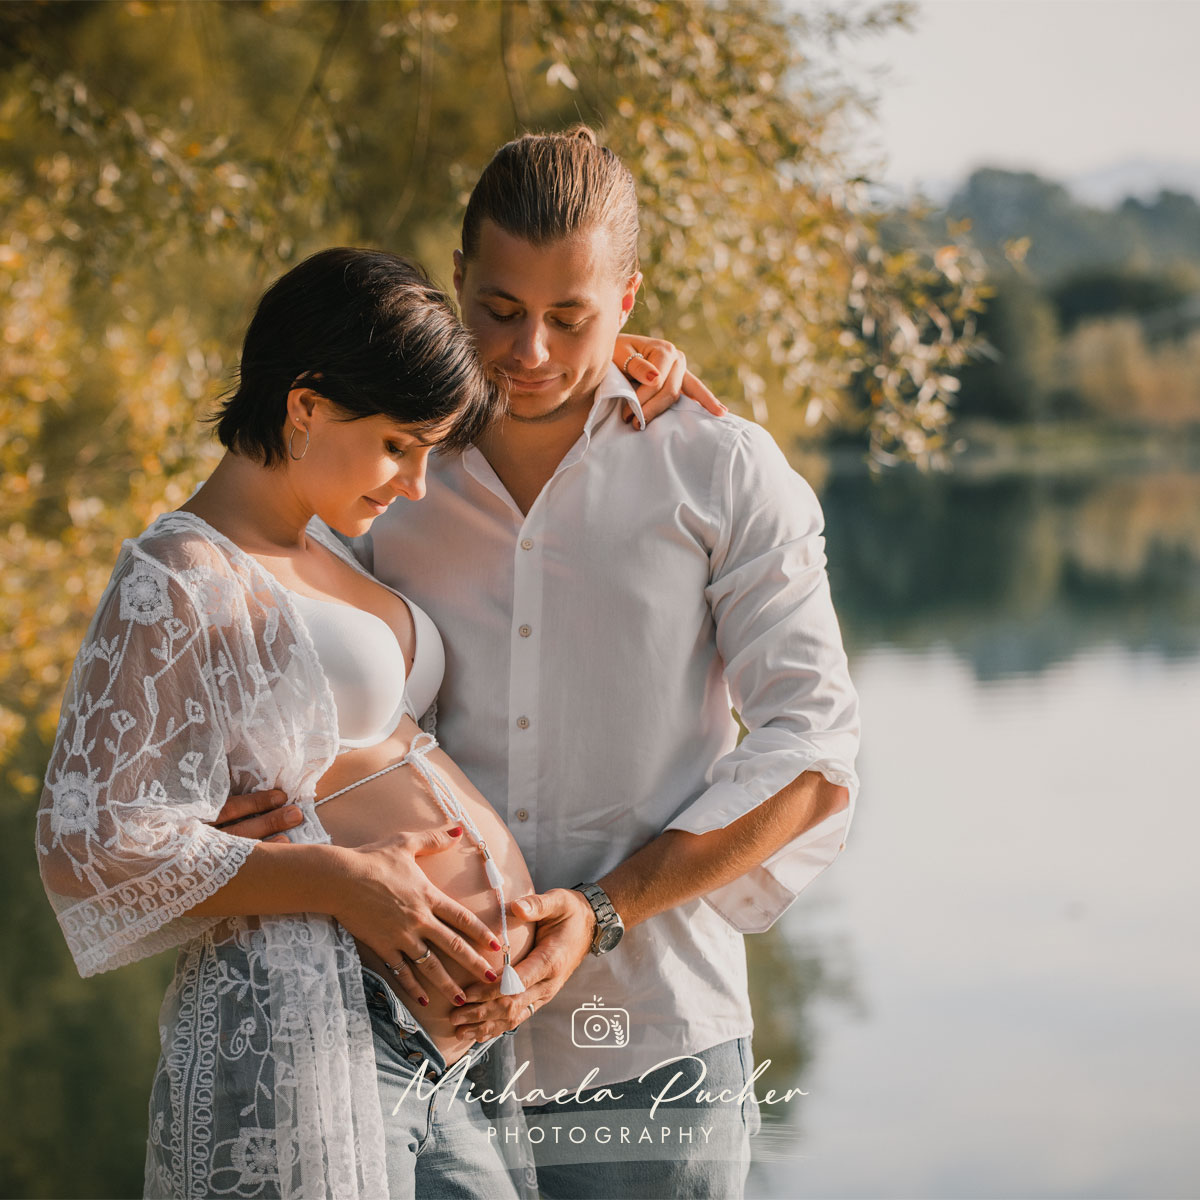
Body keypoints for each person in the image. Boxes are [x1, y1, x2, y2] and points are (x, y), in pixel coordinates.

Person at [35, 246, 702, 1199]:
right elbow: (86, 839)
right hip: (321, 1029)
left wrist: (619, 359)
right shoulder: (178, 576)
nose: (417, 483)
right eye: (399, 445)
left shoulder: (327, 542)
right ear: (306, 407)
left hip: (447, 1051)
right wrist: (338, 881)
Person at [350, 127, 862, 1199]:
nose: (529, 351)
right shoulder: (380, 474)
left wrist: (607, 907)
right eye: (500, 310)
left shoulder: (721, 471)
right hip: (413, 1045)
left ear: (629, 300)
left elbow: (815, 756)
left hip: (653, 1047)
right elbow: (276, 645)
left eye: (570, 317)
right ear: (457, 280)